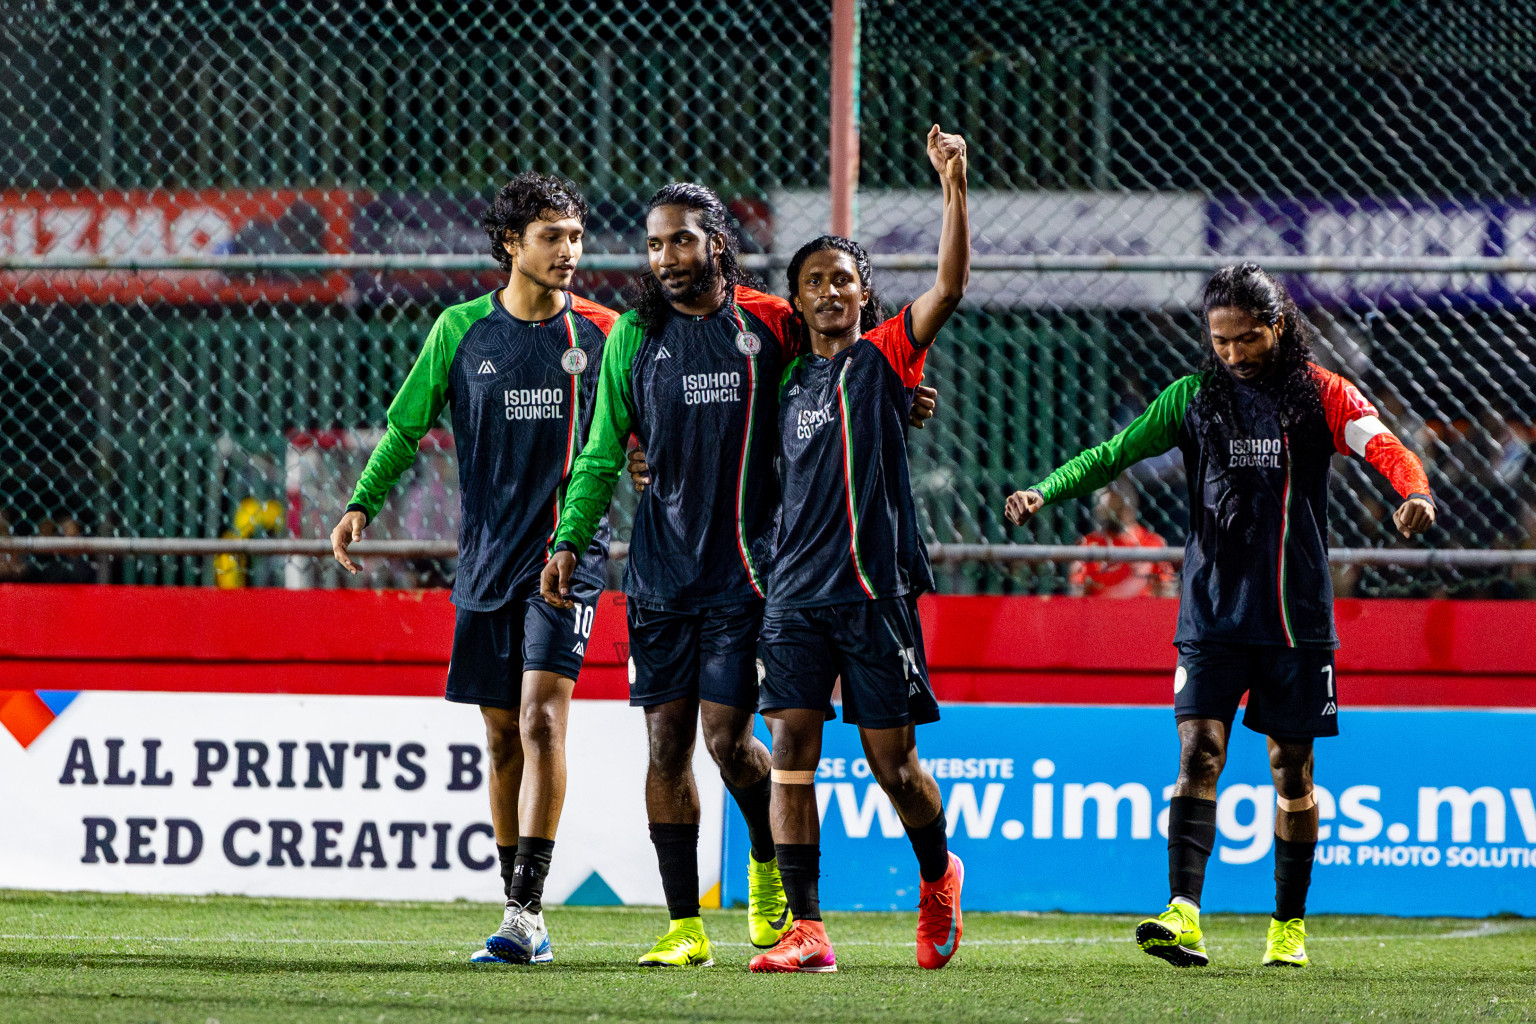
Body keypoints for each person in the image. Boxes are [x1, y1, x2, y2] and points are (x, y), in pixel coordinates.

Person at [1003, 263, 1436, 969]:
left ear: (1279, 327)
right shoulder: (1191, 399)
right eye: (1220, 339)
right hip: (1210, 613)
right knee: (1198, 751)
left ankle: (1287, 926)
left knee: (1290, 771)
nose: (1233, 353)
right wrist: (1043, 491)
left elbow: (1384, 446)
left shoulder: (1323, 395)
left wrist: (1413, 491)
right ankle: (1184, 914)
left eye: (1248, 338)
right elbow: (1113, 455)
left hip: (1294, 619)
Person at [331, 172, 618, 966]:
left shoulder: (603, 331)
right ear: (510, 246)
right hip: (487, 556)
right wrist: (362, 501)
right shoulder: (460, 331)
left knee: (542, 719)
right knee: (500, 739)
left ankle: (525, 913)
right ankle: (516, 905)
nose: (569, 251)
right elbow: (405, 425)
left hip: (568, 556)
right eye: (552, 237)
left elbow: (656, 410)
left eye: (575, 236)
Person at [748, 126, 970, 974]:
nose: (828, 290)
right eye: (813, 281)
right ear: (797, 301)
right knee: (792, 756)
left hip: (876, 594)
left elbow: (948, 286)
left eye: (842, 278)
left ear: (863, 293)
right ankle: (807, 928)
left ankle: (937, 873)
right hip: (793, 596)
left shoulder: (886, 359)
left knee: (894, 763)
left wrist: (952, 184)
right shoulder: (780, 377)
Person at [1068, 484, 1176, 598]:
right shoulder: (1091, 542)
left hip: (1140, 611)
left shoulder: (1150, 542)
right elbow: (1076, 591)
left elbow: (1167, 590)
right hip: (1100, 612)